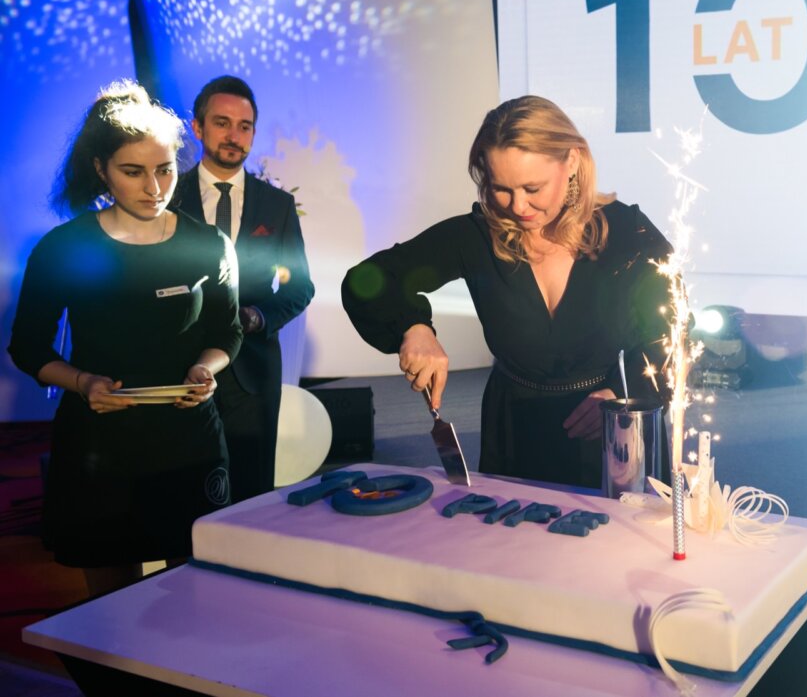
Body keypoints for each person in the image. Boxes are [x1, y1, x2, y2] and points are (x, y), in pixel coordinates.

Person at [343, 95, 671, 489]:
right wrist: (413, 326)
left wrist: (626, 393)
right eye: (500, 188)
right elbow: (367, 280)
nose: (518, 207)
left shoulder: (628, 234)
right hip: (517, 434)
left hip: (614, 431)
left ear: (571, 161)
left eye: (533, 187)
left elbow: (673, 331)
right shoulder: (475, 236)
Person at [7, 81, 242, 596]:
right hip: (100, 445)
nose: (154, 188)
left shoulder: (210, 246)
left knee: (197, 593)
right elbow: (27, 347)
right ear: (100, 169)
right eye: (133, 172)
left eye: (164, 169)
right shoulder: (64, 248)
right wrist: (83, 381)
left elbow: (227, 332)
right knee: (110, 610)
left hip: (189, 441)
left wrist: (208, 369)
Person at [176, 75, 315, 502]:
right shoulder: (167, 199)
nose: (234, 135)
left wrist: (259, 317)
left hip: (251, 369)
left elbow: (299, 286)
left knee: (252, 493)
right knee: (179, 488)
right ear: (198, 128)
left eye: (245, 126)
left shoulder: (276, 205)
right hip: (178, 369)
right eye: (222, 122)